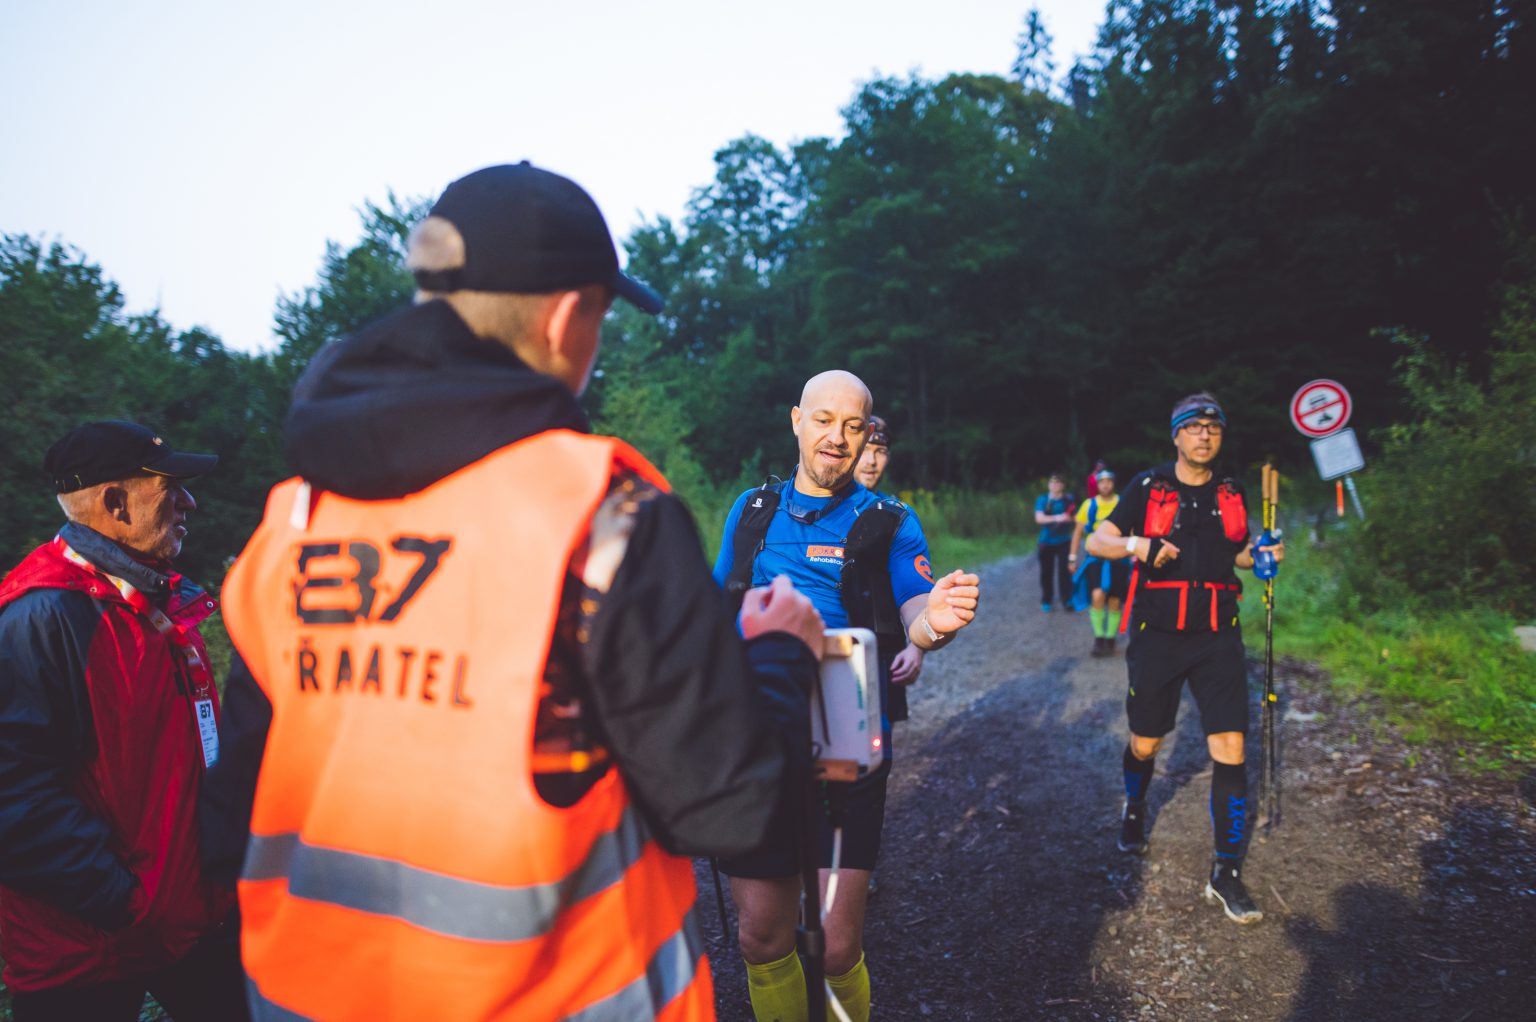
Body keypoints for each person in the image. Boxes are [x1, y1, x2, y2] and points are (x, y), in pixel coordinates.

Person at [201, 163, 826, 1022]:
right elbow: (734, 811)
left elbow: (231, 812)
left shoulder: (291, 523)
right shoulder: (604, 514)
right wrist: (781, 657)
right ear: (569, 317)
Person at [713, 371, 981, 1022]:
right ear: (797, 421)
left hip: (847, 732)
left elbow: (918, 610)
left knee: (834, 945)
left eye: (853, 426)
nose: (838, 437)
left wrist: (932, 626)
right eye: (825, 420)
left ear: (866, 437)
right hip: (757, 733)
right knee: (763, 936)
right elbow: (717, 606)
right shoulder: (752, 512)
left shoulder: (890, 521)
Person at [0, 421, 245, 1022]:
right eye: (171, 487)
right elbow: (12, 792)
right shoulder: (43, 614)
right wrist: (126, 902)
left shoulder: (156, 602)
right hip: (89, 947)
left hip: (187, 916)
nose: (189, 502)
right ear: (115, 503)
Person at [1085, 394, 1285, 925]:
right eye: (1193, 428)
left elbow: (1238, 552)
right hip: (1158, 634)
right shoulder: (1148, 487)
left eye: (1212, 428)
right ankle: (1134, 806)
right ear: (1175, 436)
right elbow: (1096, 541)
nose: (1204, 436)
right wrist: (1139, 546)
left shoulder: (1231, 491)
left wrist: (1261, 557)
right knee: (1146, 741)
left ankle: (1226, 873)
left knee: (1231, 748)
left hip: (1220, 633)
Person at [852, 415, 924, 692]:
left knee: (881, 731)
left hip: (885, 650)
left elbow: (916, 591)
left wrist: (917, 647)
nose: (871, 462)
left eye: (880, 452)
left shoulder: (896, 515)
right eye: (865, 451)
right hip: (834, 647)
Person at [1068, 469, 1129, 656]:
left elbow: (1132, 527)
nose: (1106, 485)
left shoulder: (1122, 502)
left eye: (1109, 481)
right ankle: (1099, 637)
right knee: (1097, 595)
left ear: (1113, 483)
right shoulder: (1089, 505)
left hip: (1119, 557)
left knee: (1115, 600)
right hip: (1095, 558)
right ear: (1097, 485)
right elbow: (1078, 531)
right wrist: (1072, 557)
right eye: (1102, 482)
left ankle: (1110, 639)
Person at [1034, 473, 1076, 612]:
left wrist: (1068, 518)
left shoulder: (1068, 500)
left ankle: (1067, 600)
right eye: (1052, 482)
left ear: (1062, 485)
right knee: (1046, 572)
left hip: (1064, 541)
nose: (1054, 485)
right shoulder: (1043, 500)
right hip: (1046, 542)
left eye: (1058, 482)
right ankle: (1047, 600)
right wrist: (1058, 518)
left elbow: (1075, 518)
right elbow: (1039, 518)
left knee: (1065, 572)